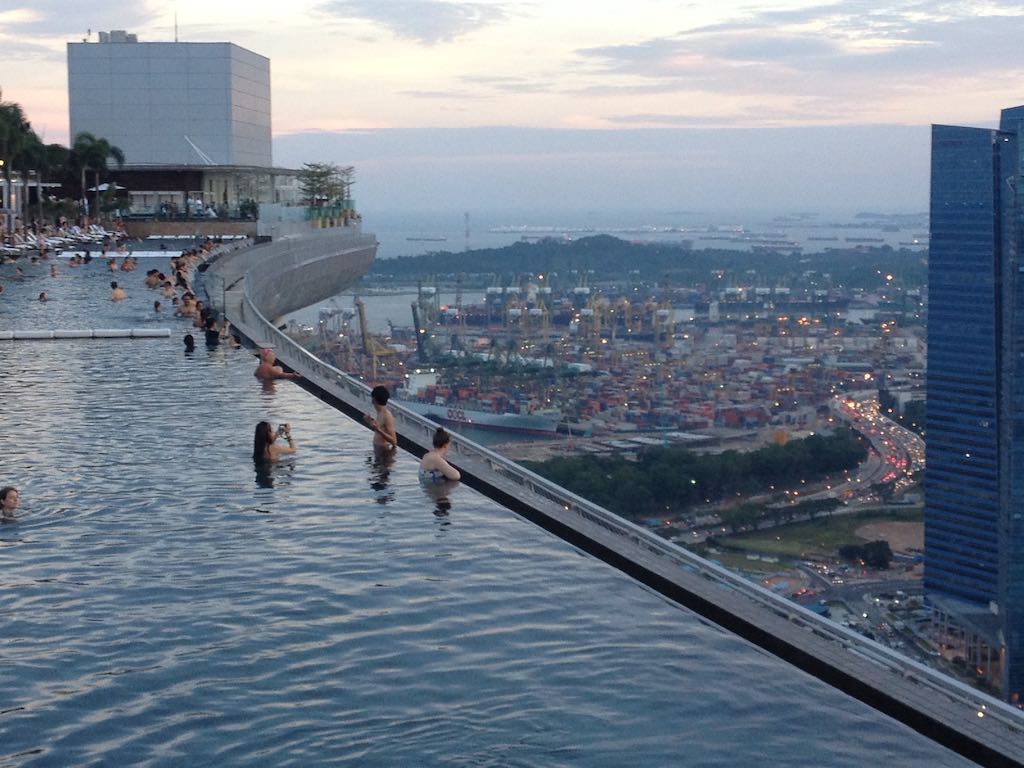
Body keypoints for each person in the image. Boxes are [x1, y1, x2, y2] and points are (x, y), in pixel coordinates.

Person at [363, 384, 397, 451]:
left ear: (373, 399)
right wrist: (370, 422)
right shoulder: (379, 413)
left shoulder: (387, 416)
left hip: (385, 453)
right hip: (378, 450)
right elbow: (379, 429)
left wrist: (378, 430)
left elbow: (394, 441)